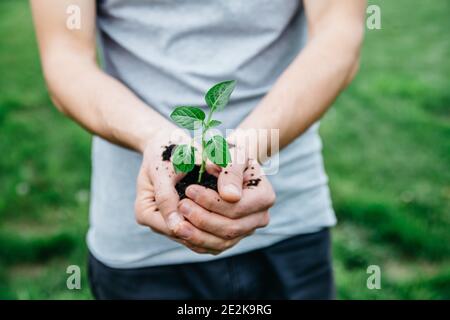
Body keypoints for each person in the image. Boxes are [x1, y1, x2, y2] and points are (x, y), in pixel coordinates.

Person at [30, 0, 365, 299]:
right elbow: (65, 57)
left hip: (288, 219)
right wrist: (155, 138)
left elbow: (339, 32)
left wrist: (248, 147)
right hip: (143, 241)